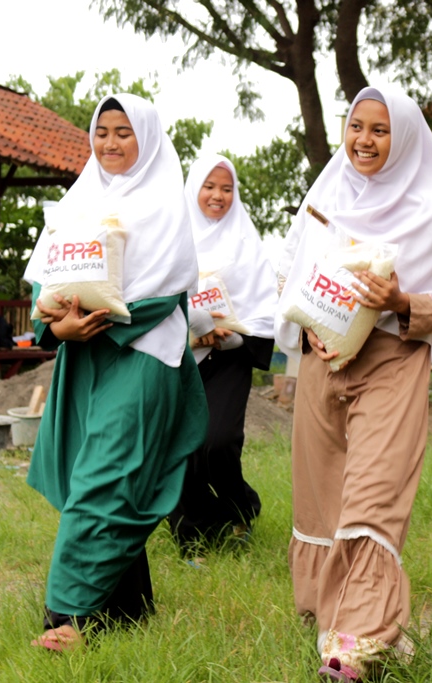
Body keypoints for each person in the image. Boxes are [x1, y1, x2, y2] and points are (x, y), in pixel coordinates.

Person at [275, 86, 432, 680]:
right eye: (356, 127)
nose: (363, 141)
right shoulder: (327, 194)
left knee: (373, 496)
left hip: (392, 359)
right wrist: (308, 329)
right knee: (323, 498)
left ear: (405, 139)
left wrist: (401, 300)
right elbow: (289, 273)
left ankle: (357, 640)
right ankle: (331, 613)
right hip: (323, 361)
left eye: (380, 130)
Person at [23, 94, 207, 651]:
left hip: (142, 353)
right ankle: (128, 608)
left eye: (123, 132)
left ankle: (70, 615)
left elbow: (166, 288)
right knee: (90, 475)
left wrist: (92, 319)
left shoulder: (163, 205)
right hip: (83, 354)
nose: (109, 143)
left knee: (106, 477)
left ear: (146, 137)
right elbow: (45, 280)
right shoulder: (80, 199)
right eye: (101, 132)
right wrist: (58, 327)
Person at [167, 154, 276, 558]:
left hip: (230, 356)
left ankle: (240, 508)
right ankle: (193, 534)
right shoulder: (172, 238)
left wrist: (228, 337)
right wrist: (194, 330)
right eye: (209, 187)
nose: (218, 196)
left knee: (218, 442)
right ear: (193, 189)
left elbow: (265, 309)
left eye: (227, 189)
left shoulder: (247, 243)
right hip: (178, 358)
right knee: (179, 447)